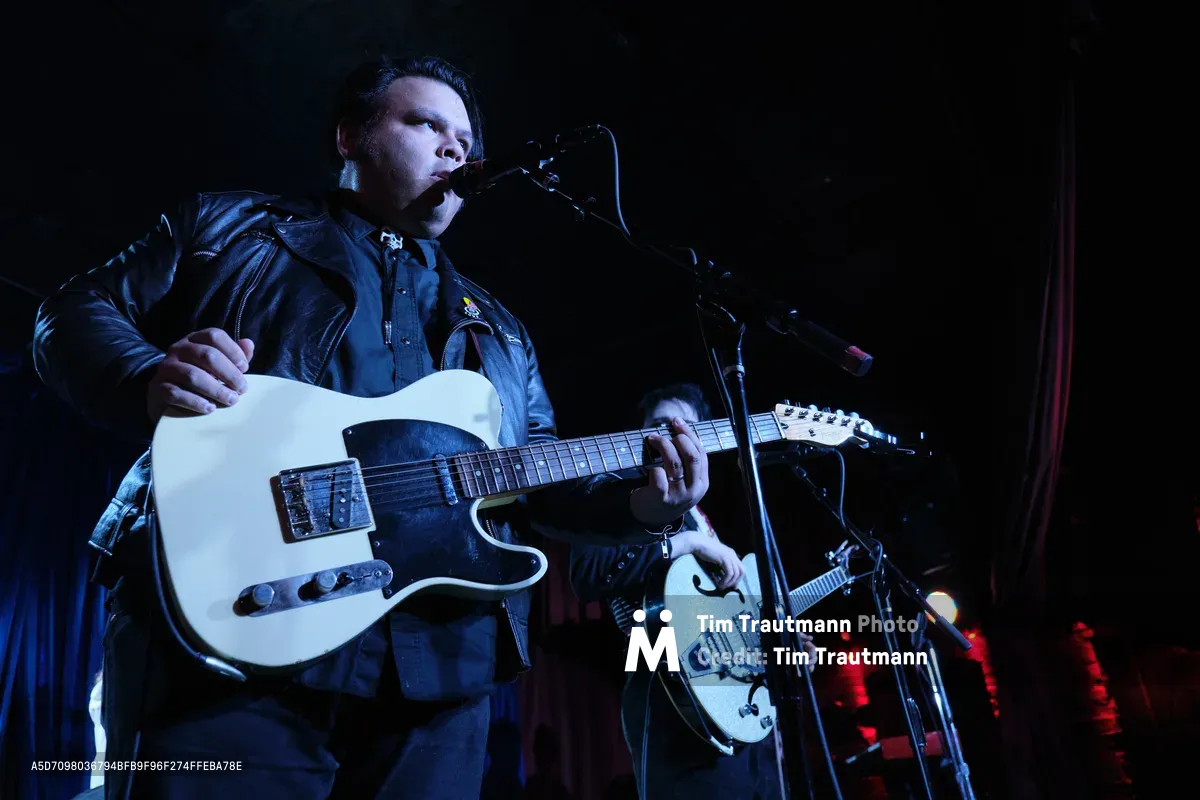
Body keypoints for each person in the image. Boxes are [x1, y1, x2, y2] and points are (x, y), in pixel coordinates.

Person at [32, 55, 710, 799]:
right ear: (351, 136)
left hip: (439, 668)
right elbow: (74, 312)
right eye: (427, 124)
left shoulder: (504, 333)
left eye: (465, 138)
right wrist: (147, 373)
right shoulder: (229, 229)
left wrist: (646, 508)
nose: (456, 148)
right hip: (229, 633)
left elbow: (535, 477)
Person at [569, 383, 817, 800]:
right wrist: (686, 544)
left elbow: (722, 627)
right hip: (667, 698)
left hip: (741, 713)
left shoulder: (702, 517)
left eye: (683, 426)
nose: (669, 433)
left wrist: (778, 651)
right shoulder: (616, 495)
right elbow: (587, 574)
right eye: (658, 425)